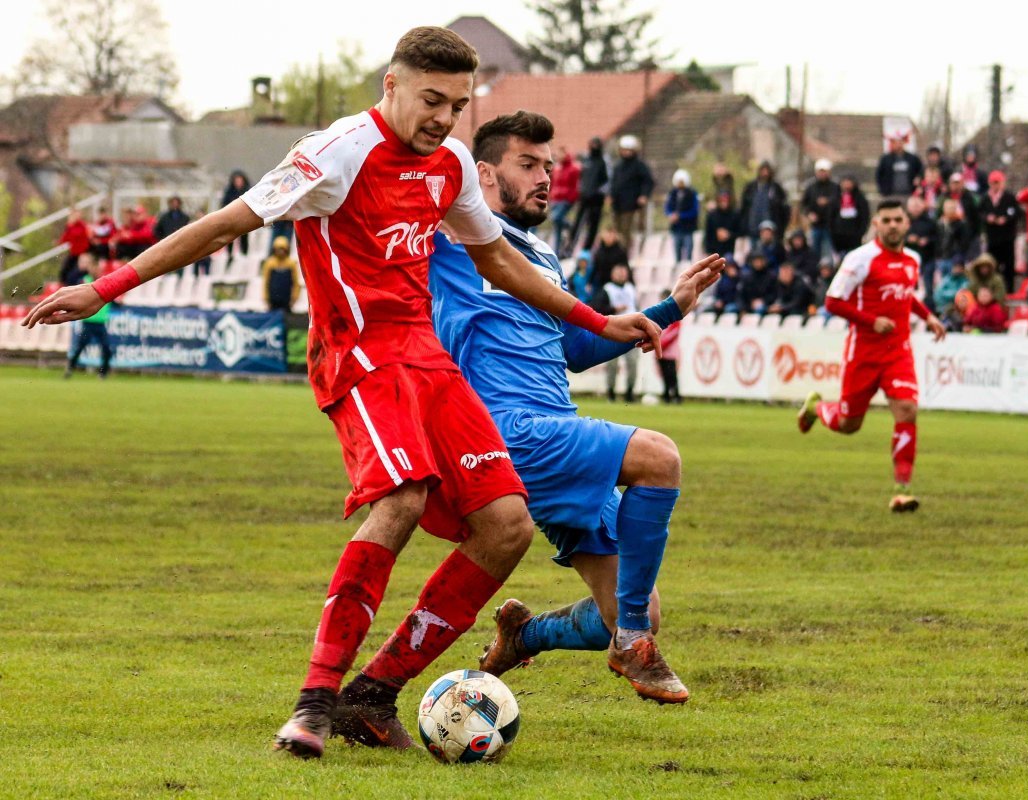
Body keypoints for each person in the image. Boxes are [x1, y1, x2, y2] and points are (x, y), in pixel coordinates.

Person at [22, 26, 662, 760]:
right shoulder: (337, 153)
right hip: (359, 358)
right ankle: (313, 705)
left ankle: (374, 693)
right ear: (390, 86)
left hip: (426, 361)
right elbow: (227, 223)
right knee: (402, 498)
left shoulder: (450, 164)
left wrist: (596, 320)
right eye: (430, 100)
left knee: (509, 526)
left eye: (456, 105)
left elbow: (499, 261)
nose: (443, 119)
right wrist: (103, 289)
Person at [427, 112, 722, 703]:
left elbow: (575, 349)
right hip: (507, 431)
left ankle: (525, 635)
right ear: (482, 173)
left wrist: (669, 309)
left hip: (554, 430)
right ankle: (632, 645)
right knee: (659, 458)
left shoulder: (540, 255)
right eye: (528, 165)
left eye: (549, 166)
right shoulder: (446, 240)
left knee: (640, 605)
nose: (546, 178)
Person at [796, 199, 946, 512]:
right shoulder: (860, 259)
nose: (893, 225)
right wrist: (871, 321)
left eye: (898, 219)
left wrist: (928, 315)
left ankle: (901, 490)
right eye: (886, 220)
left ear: (907, 223)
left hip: (898, 352)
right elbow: (833, 301)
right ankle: (817, 407)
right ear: (877, 224)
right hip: (863, 352)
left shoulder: (913, 260)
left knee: (907, 410)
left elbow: (905, 296)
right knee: (849, 424)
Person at [62, 254, 112, 378]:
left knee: (106, 349)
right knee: (80, 348)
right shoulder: (84, 281)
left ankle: (103, 373)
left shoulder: (105, 281)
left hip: (100, 322)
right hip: (88, 321)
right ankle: (70, 368)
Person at [603, 263, 640, 401]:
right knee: (612, 363)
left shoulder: (631, 288)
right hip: (614, 329)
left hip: (631, 330)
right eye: (619, 273)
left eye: (624, 273)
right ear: (613, 275)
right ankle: (611, 392)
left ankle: (630, 391)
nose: (622, 275)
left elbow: (637, 307)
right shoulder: (607, 289)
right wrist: (614, 310)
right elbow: (598, 307)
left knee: (632, 362)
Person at [609, 135, 653, 248]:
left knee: (626, 230)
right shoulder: (618, 166)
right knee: (616, 230)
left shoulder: (639, 166)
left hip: (630, 204)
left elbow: (648, 181)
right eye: (624, 150)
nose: (626, 152)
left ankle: (624, 254)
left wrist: (644, 195)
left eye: (628, 150)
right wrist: (610, 196)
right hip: (617, 204)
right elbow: (614, 183)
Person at [978, 171, 1019, 292]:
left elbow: (1016, 213)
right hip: (992, 238)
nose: (995, 186)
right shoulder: (985, 198)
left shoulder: (1009, 197)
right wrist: (987, 218)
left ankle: (1010, 290)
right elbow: (980, 213)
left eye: (997, 183)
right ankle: (993, 290)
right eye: (993, 183)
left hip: (1007, 237)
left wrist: (1006, 219)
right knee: (992, 265)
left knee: (1009, 266)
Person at [569, 137, 608, 252]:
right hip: (584, 196)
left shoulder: (603, 162)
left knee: (593, 223)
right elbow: (581, 178)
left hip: (596, 198)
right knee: (578, 221)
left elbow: (606, 180)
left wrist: (598, 192)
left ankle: (587, 247)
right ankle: (571, 243)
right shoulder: (586, 161)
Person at [740, 161, 789, 245]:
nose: (765, 173)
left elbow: (784, 209)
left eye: (767, 171)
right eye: (763, 170)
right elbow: (744, 208)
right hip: (753, 227)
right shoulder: (751, 187)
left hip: (771, 228)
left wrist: (781, 229)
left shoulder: (776, 188)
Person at [801, 158, 838, 259]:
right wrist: (809, 214)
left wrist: (828, 202)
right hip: (815, 225)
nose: (822, 174)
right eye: (820, 171)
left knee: (829, 252)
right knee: (814, 252)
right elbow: (804, 204)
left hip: (830, 225)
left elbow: (838, 202)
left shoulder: (835, 187)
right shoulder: (811, 187)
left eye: (824, 171)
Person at [548, 145, 580, 256]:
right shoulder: (556, 168)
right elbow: (552, 183)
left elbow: (576, 185)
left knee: (556, 218)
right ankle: (556, 251)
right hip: (555, 199)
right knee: (557, 227)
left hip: (565, 200)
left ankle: (572, 226)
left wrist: (571, 198)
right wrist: (550, 195)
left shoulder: (574, 168)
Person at [905, 195, 937, 299]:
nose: (915, 208)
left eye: (918, 205)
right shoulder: (904, 221)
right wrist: (907, 239)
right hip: (908, 260)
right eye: (913, 206)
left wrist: (927, 240)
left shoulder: (930, 221)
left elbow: (937, 238)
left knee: (928, 288)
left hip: (927, 259)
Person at [664, 169, 700, 263]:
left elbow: (694, 210)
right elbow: (667, 207)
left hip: (688, 227)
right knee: (677, 249)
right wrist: (670, 215)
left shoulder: (692, 193)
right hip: (676, 228)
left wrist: (680, 216)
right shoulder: (672, 193)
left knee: (688, 251)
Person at [830, 176, 870, 257]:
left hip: (854, 235)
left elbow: (865, 216)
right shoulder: (835, 198)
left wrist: (861, 232)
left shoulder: (860, 198)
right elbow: (831, 216)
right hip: (839, 236)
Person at [261, 236, 300, 312]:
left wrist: (294, 298)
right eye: (278, 249)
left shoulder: (291, 263)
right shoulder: (270, 263)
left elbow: (295, 283)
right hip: (273, 301)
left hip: (287, 301)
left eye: (282, 249)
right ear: (274, 250)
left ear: (286, 249)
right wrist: (266, 298)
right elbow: (266, 282)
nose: (280, 252)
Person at [588, 226, 629, 299]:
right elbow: (595, 268)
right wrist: (590, 282)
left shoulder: (620, 252)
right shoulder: (599, 252)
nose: (609, 237)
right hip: (601, 284)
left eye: (611, 235)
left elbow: (625, 267)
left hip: (616, 285)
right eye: (607, 234)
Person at [221, 171, 252, 258]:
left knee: (244, 236)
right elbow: (224, 204)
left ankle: (244, 253)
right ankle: (229, 255)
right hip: (232, 218)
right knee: (230, 237)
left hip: (245, 218)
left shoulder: (247, 190)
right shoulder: (229, 191)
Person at [58, 208, 91, 285]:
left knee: (78, 272)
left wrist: (69, 226)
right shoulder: (70, 227)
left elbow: (78, 234)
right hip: (74, 253)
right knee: (65, 271)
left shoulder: (82, 225)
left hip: (82, 253)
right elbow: (64, 239)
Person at [703, 191, 740, 259]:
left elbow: (739, 231)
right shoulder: (712, 215)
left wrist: (729, 234)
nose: (724, 203)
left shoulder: (734, 215)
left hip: (729, 249)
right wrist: (707, 250)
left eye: (726, 200)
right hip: (714, 249)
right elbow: (708, 233)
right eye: (722, 200)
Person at [739, 251, 775, 315]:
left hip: (766, 305)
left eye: (759, 261)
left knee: (759, 309)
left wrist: (763, 301)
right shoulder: (747, 277)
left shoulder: (771, 276)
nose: (758, 263)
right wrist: (743, 307)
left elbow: (774, 294)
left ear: (764, 262)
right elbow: (741, 294)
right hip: (749, 304)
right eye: (756, 261)